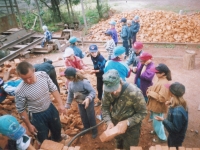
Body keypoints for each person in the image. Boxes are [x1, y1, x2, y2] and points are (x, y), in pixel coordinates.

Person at [15, 61, 66, 145]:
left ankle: (57, 140)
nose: (28, 80)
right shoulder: (20, 90)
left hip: (50, 108)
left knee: (56, 127)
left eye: (30, 77)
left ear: (34, 70)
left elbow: (53, 89)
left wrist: (60, 104)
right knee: (42, 135)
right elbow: (21, 110)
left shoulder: (43, 75)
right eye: (24, 79)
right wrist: (29, 125)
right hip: (37, 115)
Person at [101, 69, 147, 150]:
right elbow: (105, 107)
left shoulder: (134, 92)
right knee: (118, 145)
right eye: (111, 90)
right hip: (115, 126)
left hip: (132, 129)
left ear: (120, 82)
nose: (114, 92)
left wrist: (127, 122)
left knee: (129, 147)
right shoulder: (107, 90)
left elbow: (142, 113)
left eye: (115, 89)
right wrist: (109, 122)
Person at [64, 67, 98, 139]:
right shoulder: (70, 84)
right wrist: (68, 104)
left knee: (90, 116)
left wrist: (88, 98)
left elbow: (93, 92)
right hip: (80, 102)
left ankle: (94, 130)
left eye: (68, 78)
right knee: (83, 116)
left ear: (72, 76)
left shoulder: (84, 82)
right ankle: (86, 127)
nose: (67, 79)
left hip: (88, 102)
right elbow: (70, 94)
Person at [155, 82, 188, 148]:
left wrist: (163, 120)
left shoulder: (177, 111)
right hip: (177, 136)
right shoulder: (182, 103)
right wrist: (171, 103)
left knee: (173, 147)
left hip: (175, 137)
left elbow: (175, 129)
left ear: (172, 94)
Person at [147, 63, 172, 143]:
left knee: (157, 122)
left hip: (158, 106)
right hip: (155, 105)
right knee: (157, 122)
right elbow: (157, 89)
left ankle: (162, 138)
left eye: (157, 72)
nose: (155, 73)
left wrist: (150, 93)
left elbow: (162, 98)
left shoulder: (165, 83)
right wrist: (151, 88)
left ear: (163, 73)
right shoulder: (161, 80)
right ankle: (157, 131)